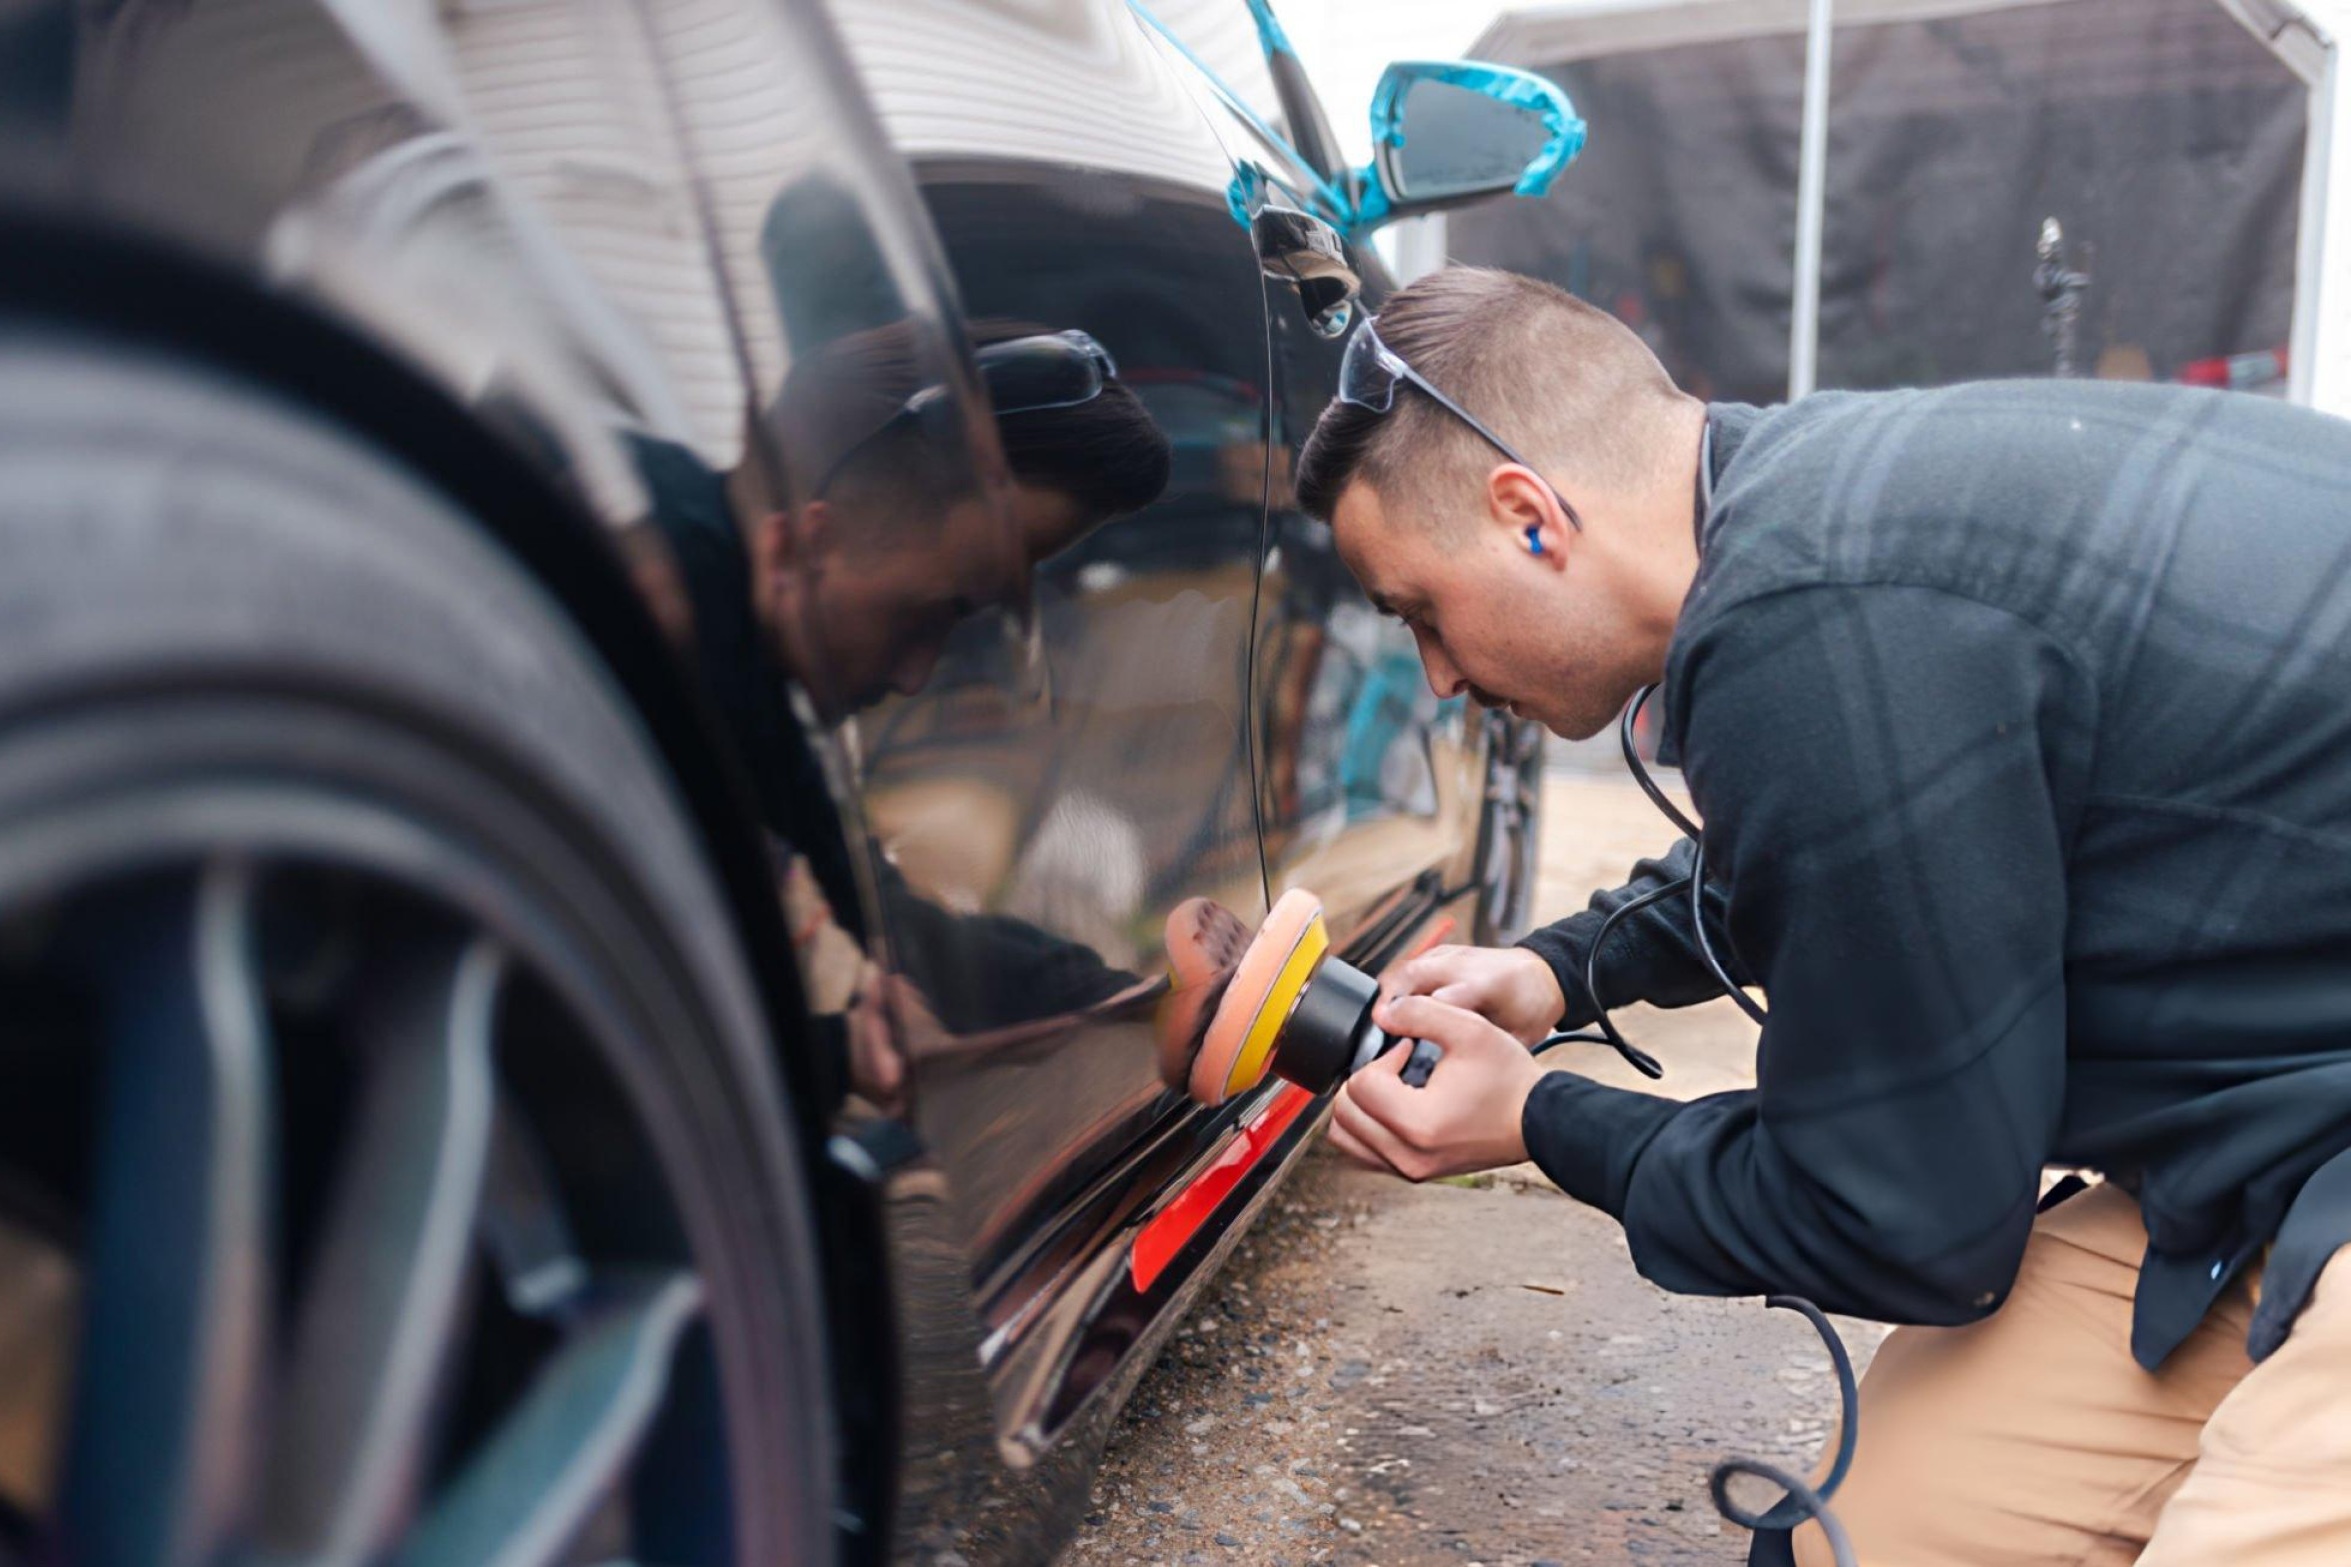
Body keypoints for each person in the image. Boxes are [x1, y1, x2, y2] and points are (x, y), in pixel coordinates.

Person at [1293, 264, 2351, 1567]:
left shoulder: (1809, 622)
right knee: (1865, 1541)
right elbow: (1885, 857)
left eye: (1420, 614)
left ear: (1528, 517)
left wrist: (1536, 1119)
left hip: (2307, 1144)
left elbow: (1911, 1222)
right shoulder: (1812, 517)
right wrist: (1562, 973)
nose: (1439, 677)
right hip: (2286, 1137)